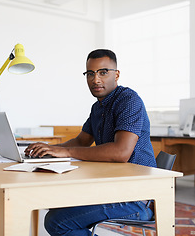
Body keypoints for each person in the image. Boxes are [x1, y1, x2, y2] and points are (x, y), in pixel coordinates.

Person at [25, 49, 157, 236]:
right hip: (114, 187)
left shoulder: (129, 100)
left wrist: (67, 152)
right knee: (54, 203)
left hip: (135, 197)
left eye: (103, 72)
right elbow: (81, 140)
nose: (96, 79)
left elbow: (121, 152)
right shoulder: (98, 107)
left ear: (116, 74)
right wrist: (50, 148)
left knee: (56, 222)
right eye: (90, 73)